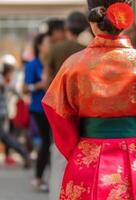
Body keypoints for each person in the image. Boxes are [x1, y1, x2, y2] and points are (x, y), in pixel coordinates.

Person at [42, 0, 136, 199]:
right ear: (127, 20)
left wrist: (76, 150)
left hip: (88, 156)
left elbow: (57, 113)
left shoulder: (74, 65)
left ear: (92, 21)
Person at [45, 11, 89, 200]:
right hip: (81, 109)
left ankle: (57, 195)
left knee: (58, 156)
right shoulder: (85, 50)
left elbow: (47, 80)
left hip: (58, 107)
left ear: (67, 28)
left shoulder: (54, 50)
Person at [23, 33, 51, 192]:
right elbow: (25, 88)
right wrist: (40, 85)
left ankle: (46, 177)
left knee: (51, 144)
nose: (50, 45)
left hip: (52, 108)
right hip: (38, 108)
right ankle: (38, 178)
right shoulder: (32, 64)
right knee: (45, 143)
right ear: (39, 45)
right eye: (47, 42)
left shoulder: (51, 61)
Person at [0, 60, 30, 168]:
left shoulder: (4, 82)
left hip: (2, 113)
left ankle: (24, 153)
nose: (12, 75)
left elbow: (16, 92)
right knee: (5, 136)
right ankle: (24, 153)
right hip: (4, 113)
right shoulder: (4, 81)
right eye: (11, 73)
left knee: (5, 137)